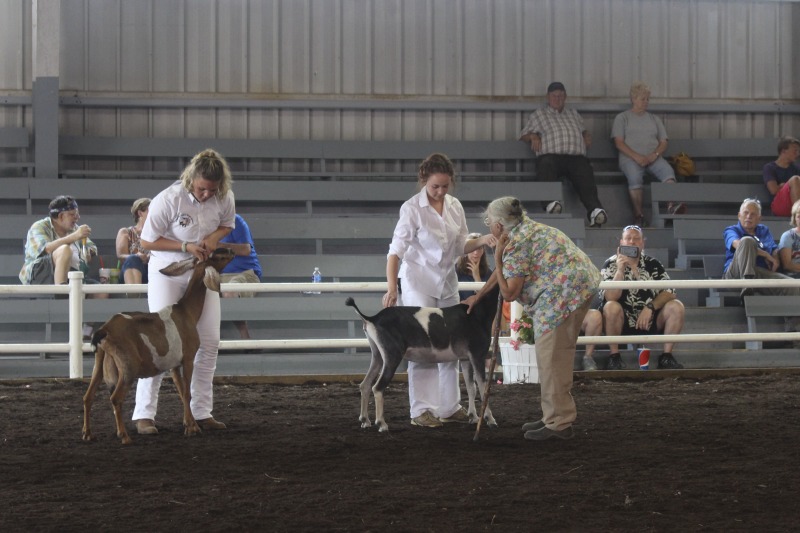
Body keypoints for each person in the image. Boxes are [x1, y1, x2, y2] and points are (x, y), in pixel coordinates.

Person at [468, 196, 600, 441]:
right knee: (549, 356)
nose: (488, 225)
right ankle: (552, 414)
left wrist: (496, 256)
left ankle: (559, 422)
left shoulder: (516, 243)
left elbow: (509, 292)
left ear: (498, 225)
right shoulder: (526, 229)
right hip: (574, 289)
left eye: (489, 221)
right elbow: (502, 277)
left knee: (552, 358)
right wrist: (479, 296)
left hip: (562, 296)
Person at [384, 153, 497, 429]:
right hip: (418, 283)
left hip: (447, 282)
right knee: (424, 346)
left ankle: (449, 406)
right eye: (435, 186)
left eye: (445, 186)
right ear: (424, 181)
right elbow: (394, 253)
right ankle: (422, 409)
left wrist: (485, 239)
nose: (441, 191)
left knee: (454, 344)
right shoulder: (411, 209)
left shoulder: (455, 206)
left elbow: (461, 244)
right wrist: (392, 289)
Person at [132, 148, 236, 436]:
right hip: (169, 272)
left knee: (209, 340)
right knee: (161, 340)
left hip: (202, 273)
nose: (206, 194)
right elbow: (147, 241)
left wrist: (212, 238)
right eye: (203, 189)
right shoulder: (168, 199)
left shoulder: (224, 196)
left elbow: (228, 224)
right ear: (192, 179)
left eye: (211, 190)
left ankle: (202, 411)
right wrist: (185, 246)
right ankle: (144, 413)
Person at [519, 81, 608, 227]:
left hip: (575, 157)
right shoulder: (539, 114)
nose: (557, 99)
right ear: (548, 97)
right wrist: (532, 136)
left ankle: (595, 211)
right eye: (554, 96)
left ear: (565, 97)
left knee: (584, 170)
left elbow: (582, 129)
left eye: (560, 96)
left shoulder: (573, 114)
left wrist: (585, 134)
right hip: (551, 156)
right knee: (545, 164)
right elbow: (523, 135)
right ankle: (551, 203)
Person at [599, 225, 685, 370]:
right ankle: (614, 357)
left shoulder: (653, 264)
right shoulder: (610, 263)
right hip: (622, 320)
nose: (632, 242)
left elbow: (670, 291)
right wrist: (620, 270)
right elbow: (610, 297)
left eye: (636, 239)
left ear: (642, 243)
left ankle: (666, 357)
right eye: (628, 239)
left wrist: (650, 307)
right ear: (621, 242)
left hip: (650, 319)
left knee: (676, 306)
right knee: (610, 306)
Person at [611, 81, 685, 226]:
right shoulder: (622, 118)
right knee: (634, 178)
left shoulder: (654, 119)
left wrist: (655, 154)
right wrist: (637, 157)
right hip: (630, 158)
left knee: (668, 173)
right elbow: (618, 142)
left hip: (653, 157)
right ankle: (639, 215)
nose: (646, 102)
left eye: (647, 99)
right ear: (633, 99)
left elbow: (664, 141)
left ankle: (672, 207)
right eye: (642, 99)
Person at [723, 199, 800, 314]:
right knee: (747, 241)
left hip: (759, 273)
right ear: (739, 215)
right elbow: (738, 244)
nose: (749, 216)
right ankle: (747, 286)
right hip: (736, 274)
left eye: (753, 214)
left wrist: (775, 258)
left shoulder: (763, 230)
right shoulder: (731, 230)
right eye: (746, 212)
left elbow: (773, 248)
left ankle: (794, 327)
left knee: (794, 285)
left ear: (759, 219)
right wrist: (765, 254)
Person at [20, 195, 101, 286]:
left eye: (77, 214)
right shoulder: (40, 226)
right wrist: (74, 236)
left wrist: (89, 251)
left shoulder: (74, 229)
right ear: (61, 216)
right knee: (64, 250)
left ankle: (67, 289)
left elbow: (92, 246)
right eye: (72, 214)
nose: (77, 217)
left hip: (72, 274)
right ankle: (61, 292)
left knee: (101, 291)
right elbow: (46, 248)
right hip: (41, 274)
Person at [219, 213, 263, 340]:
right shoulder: (202, 224)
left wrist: (219, 246)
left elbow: (246, 250)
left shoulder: (235, 220)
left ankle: (245, 337)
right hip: (217, 275)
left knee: (230, 291)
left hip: (245, 273)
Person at [116, 197, 151, 285]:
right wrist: (137, 256)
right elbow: (120, 256)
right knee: (133, 258)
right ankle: (134, 293)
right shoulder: (126, 232)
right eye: (151, 211)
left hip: (151, 271)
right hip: (129, 270)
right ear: (140, 213)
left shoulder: (158, 234)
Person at [763, 136, 800, 217]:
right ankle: (798, 214)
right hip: (779, 206)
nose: (798, 154)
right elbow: (773, 190)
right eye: (795, 151)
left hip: (794, 203)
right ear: (783, 151)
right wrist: (792, 185)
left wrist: (783, 185)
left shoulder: (796, 169)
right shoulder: (770, 168)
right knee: (795, 179)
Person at [456, 232, 492, 302]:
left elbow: (487, 302)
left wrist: (477, 277)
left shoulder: (489, 273)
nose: (476, 253)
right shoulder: (456, 270)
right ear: (466, 250)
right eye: (472, 249)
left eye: (479, 249)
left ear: (483, 251)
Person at [778, 200, 800, 278]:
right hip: (794, 277)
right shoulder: (787, 236)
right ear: (794, 218)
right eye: (799, 216)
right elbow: (787, 265)